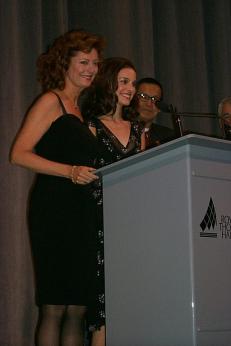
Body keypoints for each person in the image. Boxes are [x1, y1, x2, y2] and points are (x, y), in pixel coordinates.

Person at [10, 29, 105, 346]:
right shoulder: (51, 101)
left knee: (78, 307)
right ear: (65, 63)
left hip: (82, 213)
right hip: (54, 210)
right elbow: (18, 154)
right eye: (83, 61)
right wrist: (70, 171)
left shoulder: (82, 112)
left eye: (94, 62)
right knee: (54, 306)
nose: (90, 68)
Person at [79, 57, 146, 346]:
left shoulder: (139, 129)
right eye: (124, 81)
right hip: (101, 222)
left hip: (133, 223)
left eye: (133, 83)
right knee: (104, 306)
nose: (131, 88)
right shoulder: (90, 126)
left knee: (132, 299)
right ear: (108, 83)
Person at [134, 77, 175, 149]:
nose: (149, 104)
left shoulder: (169, 137)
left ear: (160, 107)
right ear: (133, 99)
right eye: (144, 96)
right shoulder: (121, 131)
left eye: (155, 99)